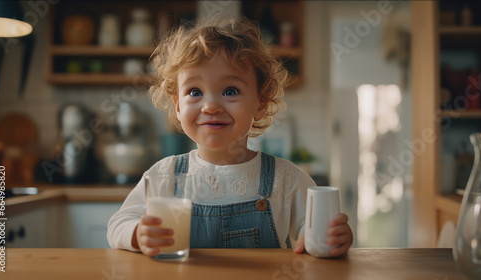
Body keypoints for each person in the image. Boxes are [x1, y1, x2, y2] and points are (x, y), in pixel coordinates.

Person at [107, 17, 352, 257]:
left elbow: (315, 235)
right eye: (195, 92)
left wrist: (330, 238)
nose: (210, 106)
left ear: (260, 103)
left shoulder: (287, 180)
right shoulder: (164, 176)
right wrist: (138, 233)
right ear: (178, 107)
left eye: (230, 91)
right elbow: (118, 224)